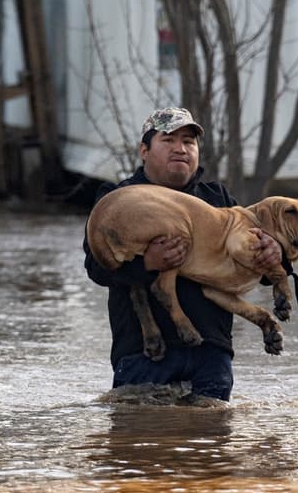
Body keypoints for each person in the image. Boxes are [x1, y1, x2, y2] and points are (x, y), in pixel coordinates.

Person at [83, 107, 282, 402]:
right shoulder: (118, 197)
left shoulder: (218, 200)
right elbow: (95, 267)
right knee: (142, 445)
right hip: (144, 355)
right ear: (144, 150)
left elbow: (251, 265)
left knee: (210, 445)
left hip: (211, 355)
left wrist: (273, 255)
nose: (180, 149)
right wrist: (146, 263)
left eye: (189, 141)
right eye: (168, 140)